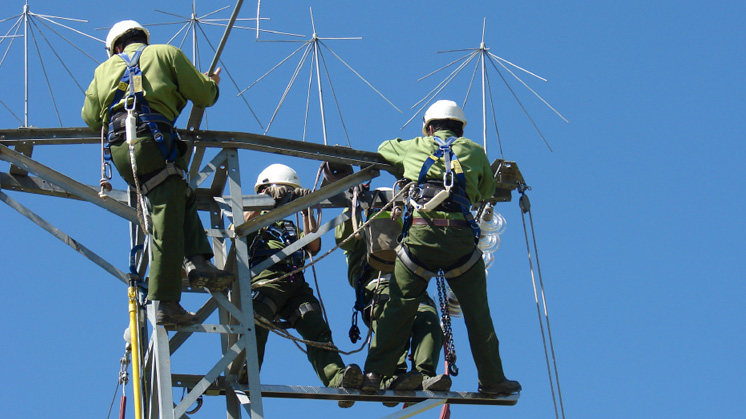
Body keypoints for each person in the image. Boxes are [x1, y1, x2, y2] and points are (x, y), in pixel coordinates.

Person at [361, 100, 521, 396]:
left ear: (431, 127)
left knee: (398, 307)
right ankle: (492, 379)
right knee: (478, 314)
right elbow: (486, 191)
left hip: (420, 240)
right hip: (460, 244)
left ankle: (374, 374)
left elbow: (385, 147)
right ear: (460, 128)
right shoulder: (475, 151)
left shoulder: (415, 145)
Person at [81, 20, 234, 326]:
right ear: (143, 39)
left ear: (116, 47)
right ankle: (165, 301)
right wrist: (211, 84)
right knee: (165, 213)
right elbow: (203, 95)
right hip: (154, 141)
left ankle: (199, 261)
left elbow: (89, 118)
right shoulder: (166, 54)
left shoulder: (103, 71)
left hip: (122, 151)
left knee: (179, 192)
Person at [243, 164, 362, 408]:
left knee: (315, 325)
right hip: (267, 279)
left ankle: (338, 378)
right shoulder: (254, 221)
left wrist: (306, 209)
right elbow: (241, 223)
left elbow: (313, 245)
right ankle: (246, 373)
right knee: (256, 320)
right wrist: (267, 200)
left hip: (295, 284)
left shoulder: (289, 227)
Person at [334, 195, 451, 395]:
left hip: (412, 288)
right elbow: (342, 236)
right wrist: (352, 205)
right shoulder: (360, 235)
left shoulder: (405, 233)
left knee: (428, 318)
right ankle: (392, 376)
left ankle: (423, 376)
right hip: (378, 289)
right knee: (392, 314)